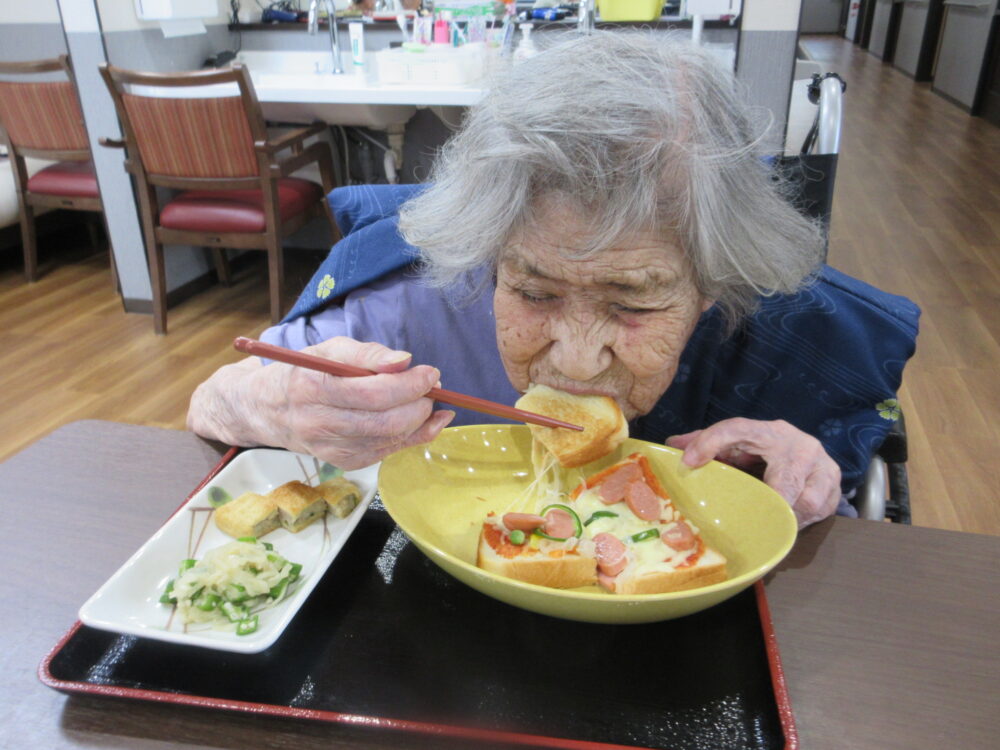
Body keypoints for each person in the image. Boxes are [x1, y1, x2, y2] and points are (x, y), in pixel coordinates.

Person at [188, 32, 919, 528]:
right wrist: (272, 402)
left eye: (632, 302)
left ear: (713, 283)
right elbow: (212, 402)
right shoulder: (418, 300)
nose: (574, 360)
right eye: (534, 292)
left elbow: (836, 528)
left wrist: (801, 477)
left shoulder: (773, 339)